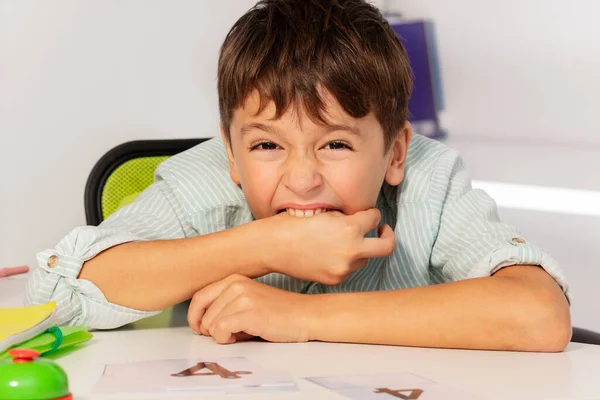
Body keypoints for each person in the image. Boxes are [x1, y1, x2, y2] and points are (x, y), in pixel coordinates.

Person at [26, 0, 571, 351]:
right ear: (233, 156)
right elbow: (55, 289)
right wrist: (263, 244)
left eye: (335, 143)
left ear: (396, 152)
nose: (303, 178)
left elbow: (538, 314)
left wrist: (304, 314)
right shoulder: (205, 183)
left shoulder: (431, 179)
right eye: (267, 145)